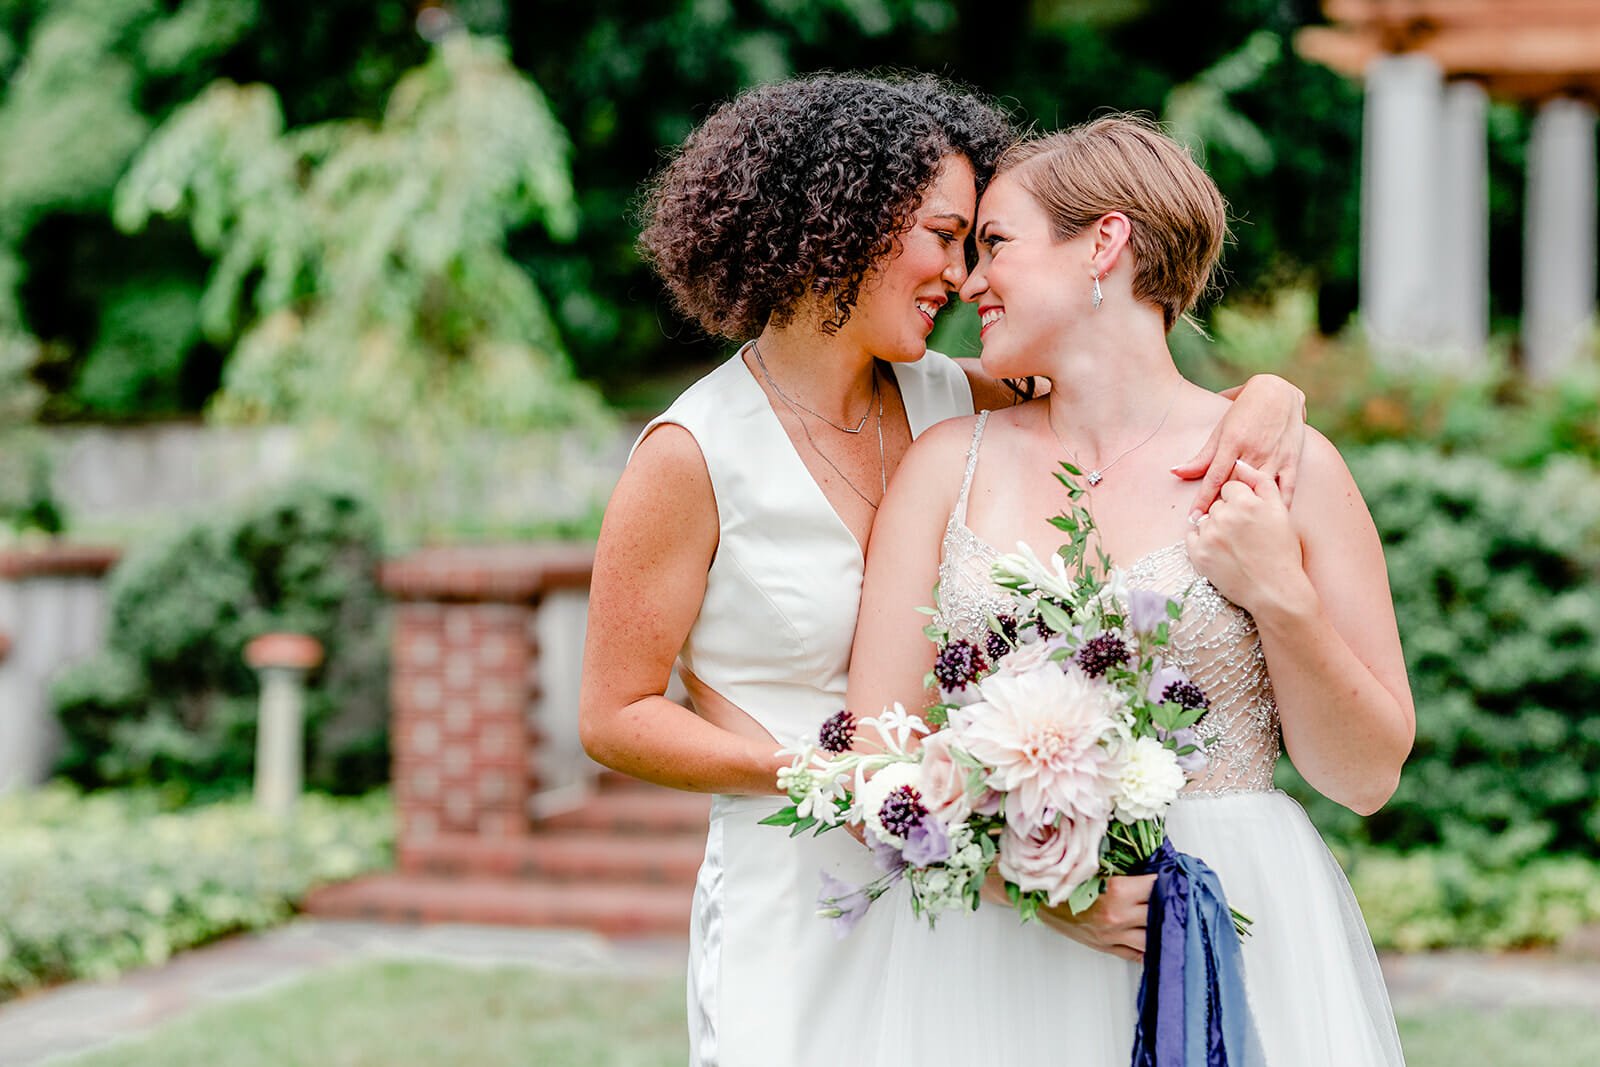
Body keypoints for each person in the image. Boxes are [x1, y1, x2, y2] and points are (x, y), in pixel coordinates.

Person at [579, 76, 1309, 1067]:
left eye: (978, 243)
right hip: (802, 896)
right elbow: (615, 716)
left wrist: (1269, 396)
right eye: (942, 234)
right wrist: (838, 775)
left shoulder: (956, 397)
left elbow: (1133, 376)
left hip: (968, 907)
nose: (962, 274)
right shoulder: (692, 451)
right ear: (841, 221)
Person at [848, 115, 1412, 1065]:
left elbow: (1363, 778)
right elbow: (876, 752)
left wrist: (1281, 595)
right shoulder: (948, 464)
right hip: (1001, 960)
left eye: (996, 245)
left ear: (1104, 242)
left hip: (1237, 922)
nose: (970, 282)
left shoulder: (1288, 469)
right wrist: (1036, 888)